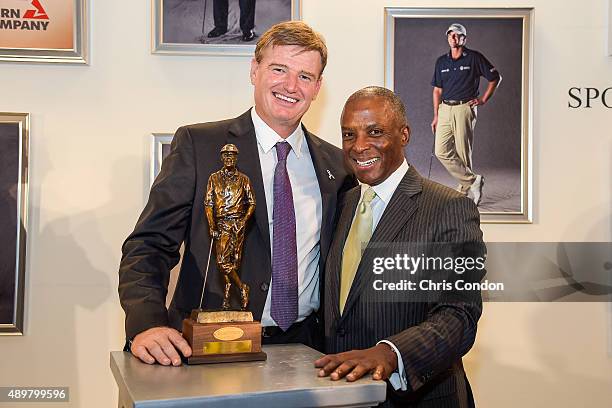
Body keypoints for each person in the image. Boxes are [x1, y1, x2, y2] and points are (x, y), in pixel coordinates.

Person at [119, 21, 356, 366]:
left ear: (318, 87)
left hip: (309, 350)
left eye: (305, 76)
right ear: (254, 70)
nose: (291, 86)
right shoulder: (199, 146)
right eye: (279, 69)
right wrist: (147, 324)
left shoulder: (338, 165)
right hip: (210, 348)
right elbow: (148, 246)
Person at [315, 86, 486, 407]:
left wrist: (390, 353)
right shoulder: (342, 202)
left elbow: (460, 314)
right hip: (344, 396)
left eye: (375, 132)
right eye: (349, 135)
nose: (360, 146)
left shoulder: (449, 207)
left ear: (404, 135)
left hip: (418, 398)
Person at [431, 23, 501, 206]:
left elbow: (495, 78)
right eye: (451, 35)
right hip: (445, 109)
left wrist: (483, 100)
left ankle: (464, 189)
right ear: (447, 37)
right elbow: (437, 91)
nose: (454, 38)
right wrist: (436, 115)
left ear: (464, 38)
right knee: (441, 150)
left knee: (463, 151)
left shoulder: (475, 58)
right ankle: (472, 181)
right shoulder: (441, 62)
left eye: (458, 35)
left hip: (465, 108)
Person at [204, 144, 255, 311]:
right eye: (226, 156)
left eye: (232, 156)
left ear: (236, 158)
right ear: (221, 158)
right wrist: (212, 225)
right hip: (222, 223)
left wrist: (244, 220)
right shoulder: (214, 178)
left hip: (238, 224)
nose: (229, 158)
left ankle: (226, 299)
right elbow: (208, 203)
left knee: (234, 262)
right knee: (222, 262)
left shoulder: (244, 179)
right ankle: (242, 288)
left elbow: (252, 202)